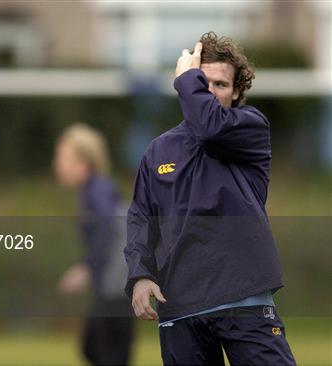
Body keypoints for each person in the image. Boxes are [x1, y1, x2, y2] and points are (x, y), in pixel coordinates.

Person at [124, 32, 296, 365]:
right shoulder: (158, 151)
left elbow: (209, 128)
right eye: (203, 83)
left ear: (236, 92)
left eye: (220, 85)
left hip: (244, 300)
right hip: (180, 306)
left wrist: (188, 79)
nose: (210, 93)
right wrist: (140, 276)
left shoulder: (250, 129)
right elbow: (141, 219)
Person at [54, 123, 134, 366]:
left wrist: (85, 268)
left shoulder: (97, 190)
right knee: (93, 347)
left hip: (117, 287)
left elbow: (108, 230)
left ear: (83, 163)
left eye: (62, 158)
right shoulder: (94, 190)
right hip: (112, 286)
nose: (57, 165)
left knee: (105, 352)